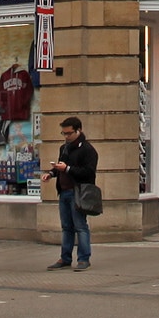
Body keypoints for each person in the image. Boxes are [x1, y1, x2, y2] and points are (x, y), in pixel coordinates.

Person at [46, 116, 97, 271]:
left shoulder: (87, 149)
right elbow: (60, 165)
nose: (66, 137)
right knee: (66, 226)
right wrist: (51, 173)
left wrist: (67, 169)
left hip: (79, 191)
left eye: (69, 133)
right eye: (64, 134)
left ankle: (83, 258)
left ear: (78, 130)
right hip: (64, 191)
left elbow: (88, 172)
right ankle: (65, 257)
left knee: (80, 226)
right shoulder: (64, 148)